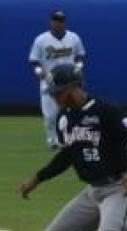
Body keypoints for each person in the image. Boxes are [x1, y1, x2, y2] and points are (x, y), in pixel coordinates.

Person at [18, 64, 127, 231]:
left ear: (73, 87)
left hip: (120, 187)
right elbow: (68, 155)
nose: (54, 97)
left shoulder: (105, 110)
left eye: (58, 92)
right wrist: (37, 178)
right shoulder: (64, 118)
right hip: (93, 191)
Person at [28, 10, 86, 149]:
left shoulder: (74, 37)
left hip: (70, 82)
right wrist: (39, 71)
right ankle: (53, 140)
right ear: (51, 21)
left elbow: (80, 55)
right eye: (55, 20)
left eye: (60, 20)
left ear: (64, 22)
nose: (58, 23)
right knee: (50, 116)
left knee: (74, 112)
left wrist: (78, 66)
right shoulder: (41, 39)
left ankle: (72, 139)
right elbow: (34, 60)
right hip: (50, 80)